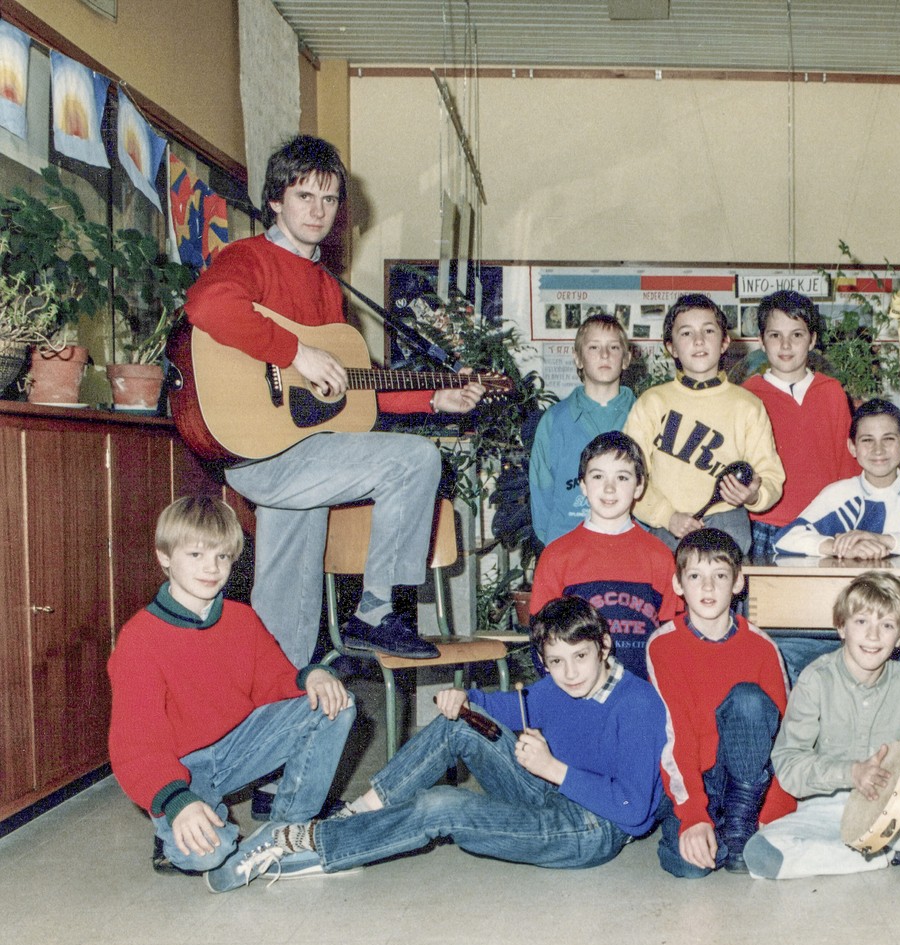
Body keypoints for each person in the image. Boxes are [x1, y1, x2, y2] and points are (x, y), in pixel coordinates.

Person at [182, 134, 482, 668]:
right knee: (415, 460)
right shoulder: (248, 257)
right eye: (304, 196)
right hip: (257, 451)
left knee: (286, 617)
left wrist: (434, 399)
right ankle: (375, 613)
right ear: (275, 200)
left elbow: (347, 394)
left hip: (301, 448)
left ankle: (277, 692)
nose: (318, 211)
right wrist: (295, 351)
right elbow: (208, 305)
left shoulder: (325, 286)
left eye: (329, 199)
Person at [202, 596, 669, 892]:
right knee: (456, 725)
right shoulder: (560, 685)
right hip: (550, 790)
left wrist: (553, 769)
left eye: (580, 656)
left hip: (593, 829)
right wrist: (466, 699)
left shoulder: (637, 704)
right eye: (556, 662)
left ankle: (311, 844)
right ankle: (355, 817)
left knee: (441, 805)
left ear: (605, 645)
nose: (570, 673)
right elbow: (513, 705)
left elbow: (632, 810)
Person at [107, 496, 353, 880]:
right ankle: (173, 828)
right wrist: (176, 801)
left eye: (222, 556)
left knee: (337, 702)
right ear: (164, 557)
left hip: (236, 748)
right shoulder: (139, 639)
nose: (212, 568)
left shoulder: (241, 619)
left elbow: (274, 680)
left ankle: (288, 831)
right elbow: (137, 744)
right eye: (196, 554)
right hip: (179, 767)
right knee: (210, 855)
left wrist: (312, 676)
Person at [743, 572, 900, 879]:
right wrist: (850, 773)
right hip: (823, 807)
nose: (873, 636)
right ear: (841, 627)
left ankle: (854, 852)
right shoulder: (815, 680)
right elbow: (789, 765)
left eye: (887, 625)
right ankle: (879, 856)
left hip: (890, 807)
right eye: (861, 621)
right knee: (761, 856)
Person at [771, 398, 900, 719]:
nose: (878, 450)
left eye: (888, 439)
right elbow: (784, 539)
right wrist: (834, 545)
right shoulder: (839, 494)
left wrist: (883, 541)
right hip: (836, 637)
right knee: (779, 657)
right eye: (867, 440)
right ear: (852, 447)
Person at [648, 528, 796, 876]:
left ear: (738, 582)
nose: (708, 587)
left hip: (749, 781)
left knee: (748, 699)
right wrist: (693, 817)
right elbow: (676, 736)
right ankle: (722, 830)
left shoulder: (762, 647)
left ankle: (741, 823)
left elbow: (789, 736)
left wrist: (774, 812)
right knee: (690, 867)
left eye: (720, 575)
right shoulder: (663, 646)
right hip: (698, 778)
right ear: (678, 584)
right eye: (695, 576)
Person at [623, 293, 785, 554]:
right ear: (671, 347)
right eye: (686, 333)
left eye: (708, 331)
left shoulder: (748, 405)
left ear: (724, 342)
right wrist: (667, 516)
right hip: (666, 524)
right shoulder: (652, 402)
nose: (699, 340)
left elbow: (771, 476)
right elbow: (629, 473)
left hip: (727, 521)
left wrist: (754, 495)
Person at [529, 431, 681, 680]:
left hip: (644, 691)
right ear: (583, 485)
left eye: (622, 477)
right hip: (577, 691)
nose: (609, 488)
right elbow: (540, 641)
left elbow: (674, 637)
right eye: (598, 476)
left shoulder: (660, 557)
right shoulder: (557, 556)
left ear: (639, 486)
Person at [740, 290, 859, 558]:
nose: (786, 345)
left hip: (824, 525)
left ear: (812, 339)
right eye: (775, 335)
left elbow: (847, 464)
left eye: (796, 335)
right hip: (765, 523)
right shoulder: (747, 396)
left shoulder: (832, 392)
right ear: (761, 340)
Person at [530, 314, 636, 545]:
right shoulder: (554, 421)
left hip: (630, 546)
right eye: (594, 347)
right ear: (578, 358)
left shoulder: (644, 416)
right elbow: (541, 492)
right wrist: (556, 547)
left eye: (613, 347)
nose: (605, 354)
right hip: (568, 545)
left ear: (626, 359)